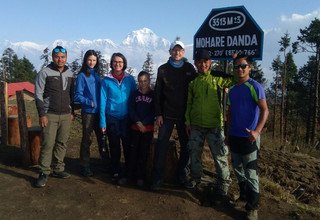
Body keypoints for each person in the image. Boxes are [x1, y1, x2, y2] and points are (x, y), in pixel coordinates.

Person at [184, 49, 233, 198]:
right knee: (195, 154)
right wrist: (188, 121)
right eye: (199, 61)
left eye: (205, 61)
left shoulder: (218, 78)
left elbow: (237, 79)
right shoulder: (192, 80)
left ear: (210, 62)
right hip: (196, 125)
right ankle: (196, 179)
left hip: (215, 126)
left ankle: (224, 185)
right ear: (195, 63)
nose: (202, 64)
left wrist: (236, 62)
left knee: (220, 156)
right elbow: (189, 102)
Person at [226, 54, 269, 220]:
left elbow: (265, 110)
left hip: (249, 137)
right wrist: (228, 134)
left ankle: (252, 207)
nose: (240, 69)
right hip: (235, 136)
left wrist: (257, 131)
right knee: (238, 169)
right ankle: (244, 196)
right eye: (237, 66)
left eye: (243, 66)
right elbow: (230, 113)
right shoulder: (233, 88)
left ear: (250, 67)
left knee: (251, 173)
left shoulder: (255, 86)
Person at [151, 40, 197, 190]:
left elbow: (196, 89)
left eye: (180, 50)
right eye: (174, 50)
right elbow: (157, 93)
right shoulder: (163, 69)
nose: (177, 53)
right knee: (161, 146)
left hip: (184, 116)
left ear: (183, 52)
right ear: (170, 52)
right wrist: (158, 113)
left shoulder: (189, 68)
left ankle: (182, 174)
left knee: (187, 147)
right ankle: (157, 178)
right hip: (167, 114)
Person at [34, 46, 74, 187]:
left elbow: (72, 95)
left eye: (63, 57)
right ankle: (44, 172)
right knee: (48, 144)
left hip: (65, 115)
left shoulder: (70, 73)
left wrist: (72, 112)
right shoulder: (44, 72)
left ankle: (58, 168)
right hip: (49, 114)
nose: (60, 59)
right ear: (52, 57)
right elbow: (38, 95)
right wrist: (42, 114)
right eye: (57, 56)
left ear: (66, 57)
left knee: (62, 143)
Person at [100, 52, 136, 180]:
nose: (118, 64)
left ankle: (129, 169)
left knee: (127, 145)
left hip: (126, 117)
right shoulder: (106, 80)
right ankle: (115, 170)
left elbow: (134, 98)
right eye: (115, 61)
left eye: (120, 62)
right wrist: (103, 122)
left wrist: (135, 118)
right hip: (112, 117)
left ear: (124, 63)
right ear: (111, 63)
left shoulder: (130, 79)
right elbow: (103, 101)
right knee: (114, 145)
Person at [74, 50, 110, 177]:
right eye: (89, 60)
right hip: (88, 113)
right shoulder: (82, 76)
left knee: (103, 139)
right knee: (87, 140)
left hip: (100, 113)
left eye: (94, 60)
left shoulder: (98, 76)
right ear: (85, 60)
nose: (92, 62)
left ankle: (107, 165)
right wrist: (90, 102)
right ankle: (85, 166)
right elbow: (77, 96)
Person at [127, 71, 155, 187]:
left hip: (147, 129)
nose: (142, 83)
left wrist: (144, 124)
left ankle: (140, 177)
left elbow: (154, 111)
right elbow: (131, 109)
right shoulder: (134, 94)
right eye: (140, 81)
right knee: (133, 152)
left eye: (145, 81)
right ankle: (129, 176)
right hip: (135, 128)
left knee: (143, 154)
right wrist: (138, 122)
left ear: (148, 81)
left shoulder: (153, 95)